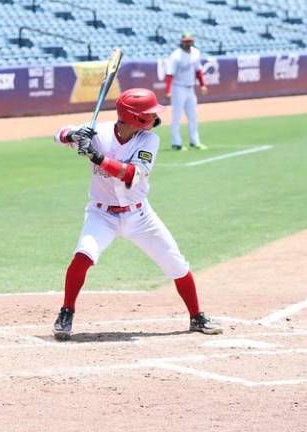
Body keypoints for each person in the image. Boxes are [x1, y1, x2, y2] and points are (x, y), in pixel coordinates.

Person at [51, 88, 222, 341]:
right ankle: (66, 312)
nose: (154, 117)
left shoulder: (148, 140)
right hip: (102, 215)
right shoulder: (99, 131)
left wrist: (96, 156)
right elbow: (58, 136)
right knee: (82, 256)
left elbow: (131, 174)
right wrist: (74, 134)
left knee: (175, 263)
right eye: (149, 114)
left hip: (140, 216)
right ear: (134, 117)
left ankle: (197, 316)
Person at [164, 32, 208, 151]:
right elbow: (169, 74)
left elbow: (198, 70)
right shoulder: (175, 56)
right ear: (181, 41)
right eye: (186, 41)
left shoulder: (196, 52)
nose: (188, 43)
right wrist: (168, 91)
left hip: (190, 88)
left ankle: (195, 142)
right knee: (176, 116)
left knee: (193, 116)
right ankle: (176, 143)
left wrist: (202, 85)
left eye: (190, 41)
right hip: (178, 88)